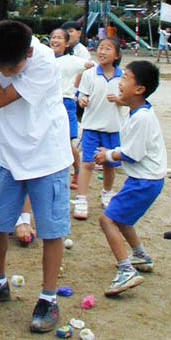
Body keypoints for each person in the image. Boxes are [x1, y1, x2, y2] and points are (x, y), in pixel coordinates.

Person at [0, 20, 72, 334]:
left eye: (12, 67)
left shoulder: (45, 63)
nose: (7, 72)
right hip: (11, 158)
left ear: (29, 52)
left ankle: (48, 298)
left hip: (47, 157)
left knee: (51, 230)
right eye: (2, 66)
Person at [95, 61, 167, 296]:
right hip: (145, 180)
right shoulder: (137, 112)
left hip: (144, 181)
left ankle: (126, 270)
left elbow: (130, 154)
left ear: (140, 90)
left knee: (107, 220)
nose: (120, 81)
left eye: (125, 78)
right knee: (123, 219)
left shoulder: (141, 118)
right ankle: (140, 256)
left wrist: (106, 155)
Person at [73, 37, 127, 220]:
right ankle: (81, 199)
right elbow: (82, 93)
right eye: (100, 48)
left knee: (109, 165)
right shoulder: (90, 74)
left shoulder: (123, 76)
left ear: (117, 55)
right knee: (87, 163)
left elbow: (128, 100)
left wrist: (119, 100)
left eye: (108, 48)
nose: (102, 51)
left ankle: (107, 193)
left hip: (113, 129)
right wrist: (82, 99)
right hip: (91, 127)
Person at [49, 28, 94, 190]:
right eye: (53, 37)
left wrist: (83, 91)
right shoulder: (44, 58)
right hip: (47, 104)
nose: (55, 40)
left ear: (67, 43)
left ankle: (77, 169)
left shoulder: (72, 60)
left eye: (59, 38)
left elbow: (92, 66)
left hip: (65, 102)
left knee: (67, 141)